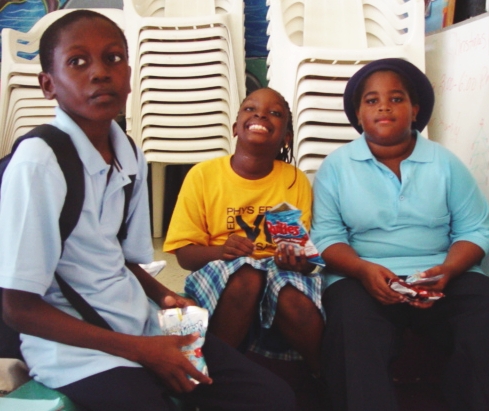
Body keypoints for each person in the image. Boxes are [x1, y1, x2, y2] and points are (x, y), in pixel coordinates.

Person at [0, 10, 296, 411]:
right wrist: (142, 351)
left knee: (273, 398)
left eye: (113, 58)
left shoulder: (128, 154)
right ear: (48, 85)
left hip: (143, 326)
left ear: (129, 74)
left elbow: (121, 260)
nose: (100, 73)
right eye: (78, 62)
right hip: (77, 353)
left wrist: (168, 297)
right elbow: (19, 309)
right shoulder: (39, 163)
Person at [310, 57, 489, 411]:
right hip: (364, 275)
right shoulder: (336, 167)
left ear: (415, 110)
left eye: (396, 98)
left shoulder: (446, 163)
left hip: (442, 274)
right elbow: (327, 238)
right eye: (372, 101)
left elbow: (475, 229)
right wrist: (363, 270)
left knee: (482, 316)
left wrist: (449, 271)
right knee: (351, 326)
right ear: (359, 115)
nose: (384, 108)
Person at [164, 87, 325, 377]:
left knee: (295, 297)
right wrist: (220, 250)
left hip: (279, 269)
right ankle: (215, 376)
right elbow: (185, 256)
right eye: (250, 109)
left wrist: (296, 260)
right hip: (222, 269)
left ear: (286, 137)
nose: (261, 114)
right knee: (247, 275)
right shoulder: (203, 175)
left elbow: (307, 256)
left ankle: (326, 376)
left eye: (275, 113)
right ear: (237, 126)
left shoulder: (294, 180)